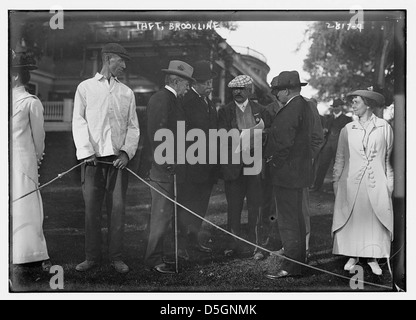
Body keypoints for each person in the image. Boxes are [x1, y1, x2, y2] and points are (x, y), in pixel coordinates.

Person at [72, 43, 140, 274]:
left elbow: (133, 127)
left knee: (117, 210)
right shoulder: (85, 88)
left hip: (117, 164)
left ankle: (116, 257)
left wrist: (125, 153)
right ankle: (91, 257)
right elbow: (78, 122)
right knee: (92, 211)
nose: (124, 65)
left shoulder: (127, 92)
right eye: (121, 60)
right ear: (109, 58)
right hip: (92, 162)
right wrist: (86, 150)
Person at [332, 89, 393, 276]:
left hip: (376, 182)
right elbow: (340, 158)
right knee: (354, 220)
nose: (353, 105)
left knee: (373, 220)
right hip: (351, 182)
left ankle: (373, 258)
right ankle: (353, 255)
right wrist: (336, 182)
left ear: (367, 104)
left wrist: (390, 185)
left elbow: (387, 160)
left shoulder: (384, 127)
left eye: (356, 102)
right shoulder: (347, 129)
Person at [144, 60, 195, 274]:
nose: (188, 88)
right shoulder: (161, 99)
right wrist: (167, 161)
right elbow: (157, 134)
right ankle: (153, 260)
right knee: (161, 215)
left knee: (167, 215)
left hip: (173, 168)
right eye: (186, 83)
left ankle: (161, 255)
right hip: (164, 169)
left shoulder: (173, 100)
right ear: (176, 81)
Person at [264, 70, 313, 279]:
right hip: (299, 173)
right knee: (297, 220)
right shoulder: (305, 106)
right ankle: (299, 263)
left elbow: (284, 144)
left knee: (288, 221)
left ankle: (291, 267)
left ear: (286, 90)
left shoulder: (290, 109)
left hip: (286, 174)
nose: (276, 95)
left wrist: (271, 163)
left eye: (277, 91)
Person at [218, 75, 271, 258]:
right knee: (234, 207)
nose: (237, 92)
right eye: (234, 89)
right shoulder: (224, 111)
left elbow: (269, 135)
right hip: (233, 167)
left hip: (254, 166)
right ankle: (232, 244)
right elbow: (221, 137)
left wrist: (261, 135)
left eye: (241, 89)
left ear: (250, 90)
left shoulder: (260, 110)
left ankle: (257, 246)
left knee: (256, 207)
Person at [11, 45, 51, 272]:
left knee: (27, 208)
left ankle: (32, 254)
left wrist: (34, 163)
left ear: (15, 76)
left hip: (23, 165)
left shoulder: (30, 102)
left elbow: (39, 139)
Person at [176, 60, 218, 255]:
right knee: (187, 205)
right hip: (191, 165)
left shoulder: (209, 103)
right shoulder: (186, 102)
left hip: (207, 166)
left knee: (201, 205)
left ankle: (193, 240)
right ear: (195, 83)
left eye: (211, 83)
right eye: (206, 83)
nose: (210, 86)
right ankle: (181, 245)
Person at [311, 98, 351, 192]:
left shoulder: (347, 119)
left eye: (337, 106)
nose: (335, 108)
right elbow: (324, 131)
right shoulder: (328, 119)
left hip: (339, 146)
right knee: (322, 166)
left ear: (341, 107)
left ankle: (336, 188)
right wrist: (325, 131)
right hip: (328, 146)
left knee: (338, 167)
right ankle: (317, 186)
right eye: (334, 107)